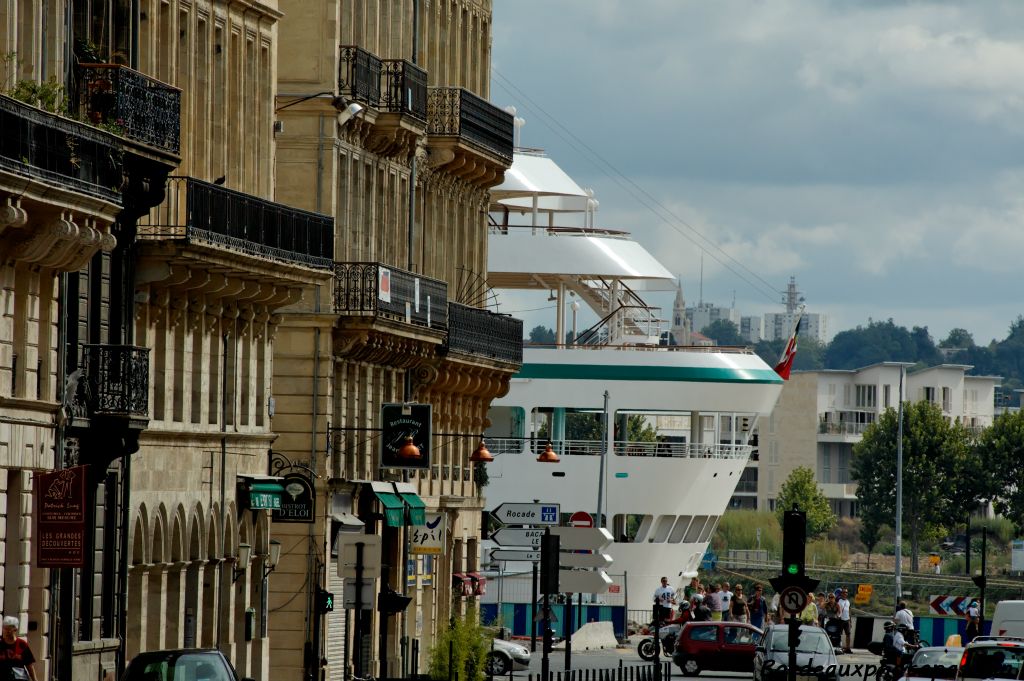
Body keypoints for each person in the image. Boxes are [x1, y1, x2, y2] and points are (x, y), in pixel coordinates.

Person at [0, 616, 38, 681]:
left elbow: (29, 666)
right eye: (4, 628)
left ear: (15, 629)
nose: (6, 631)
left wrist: (35, 679)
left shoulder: (22, 644)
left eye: (9, 629)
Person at [837, 587, 853, 653]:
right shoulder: (838, 601)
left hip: (847, 620)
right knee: (839, 634)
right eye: (843, 592)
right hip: (840, 619)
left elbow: (849, 611)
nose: (845, 593)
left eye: (846, 592)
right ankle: (838, 647)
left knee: (848, 634)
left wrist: (850, 621)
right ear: (841, 593)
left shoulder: (848, 601)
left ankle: (848, 648)